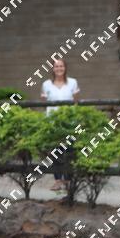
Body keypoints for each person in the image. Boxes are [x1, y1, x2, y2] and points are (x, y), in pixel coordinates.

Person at [40, 59, 80, 191]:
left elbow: (76, 102)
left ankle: (67, 180)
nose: (59, 68)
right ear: (53, 69)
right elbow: (44, 103)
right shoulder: (46, 84)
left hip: (69, 122)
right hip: (53, 123)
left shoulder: (73, 82)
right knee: (55, 152)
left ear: (65, 68)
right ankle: (57, 180)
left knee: (69, 151)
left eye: (61, 66)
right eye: (56, 66)